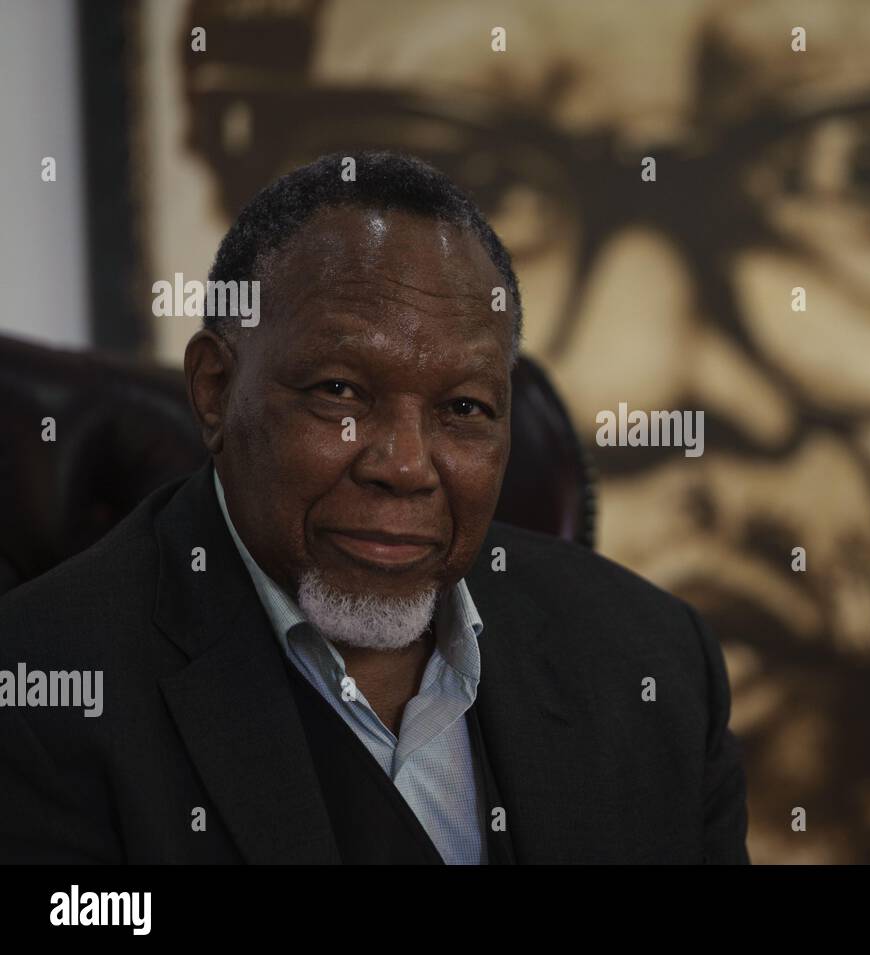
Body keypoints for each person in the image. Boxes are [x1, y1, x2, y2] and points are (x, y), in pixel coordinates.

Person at [0, 151, 750, 864]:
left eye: (464, 406)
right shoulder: (42, 695)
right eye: (339, 391)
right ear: (214, 390)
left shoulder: (654, 666)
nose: (403, 465)